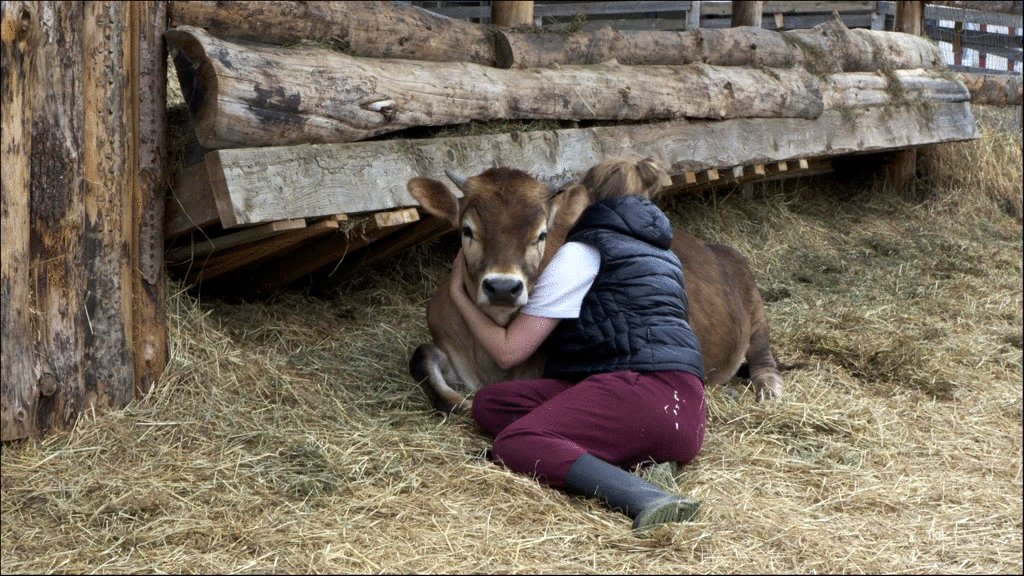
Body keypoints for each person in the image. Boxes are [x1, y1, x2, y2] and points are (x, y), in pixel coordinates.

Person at [447, 157, 707, 530]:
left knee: (515, 443)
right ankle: (634, 456)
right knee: (493, 403)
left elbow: (509, 352)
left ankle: (648, 496)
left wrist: (458, 296)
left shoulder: (583, 252)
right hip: (684, 409)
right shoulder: (664, 255)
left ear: (583, 200)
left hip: (642, 395)